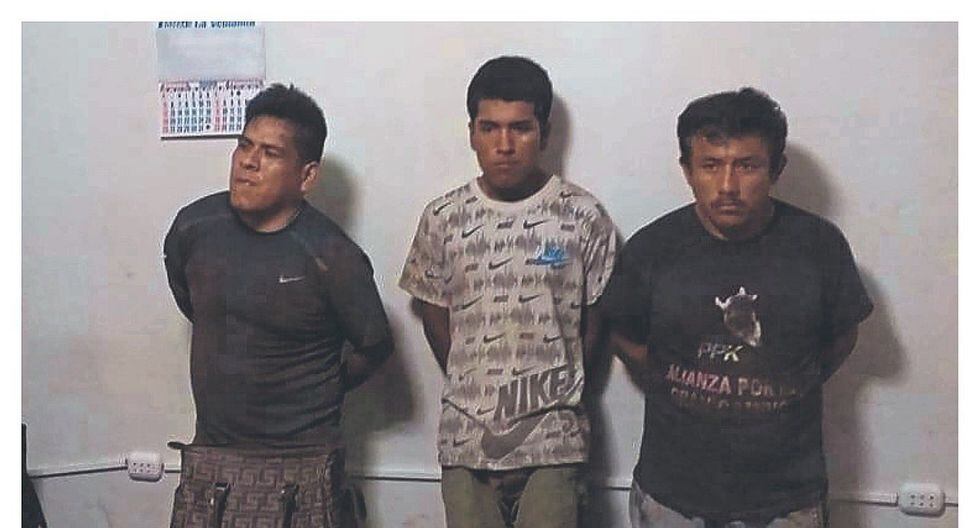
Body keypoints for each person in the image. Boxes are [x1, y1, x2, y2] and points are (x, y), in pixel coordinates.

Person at [600, 87, 873, 528]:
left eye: (747, 165)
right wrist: (685, 382)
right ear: (687, 170)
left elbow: (842, 338)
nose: (728, 186)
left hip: (787, 498)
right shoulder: (653, 249)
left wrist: (781, 383)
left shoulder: (819, 247)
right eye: (710, 165)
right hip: (673, 493)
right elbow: (625, 337)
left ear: (776, 169)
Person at [399, 56, 617, 528]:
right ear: (472, 133)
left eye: (520, 128)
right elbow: (434, 312)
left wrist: (558, 387)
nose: (504, 145)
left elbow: (596, 319)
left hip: (553, 440)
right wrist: (474, 384)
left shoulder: (583, 216)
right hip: (466, 439)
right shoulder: (443, 218)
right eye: (489, 128)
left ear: (545, 133)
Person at [163, 83, 393, 528]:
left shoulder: (332, 256)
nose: (248, 163)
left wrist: (320, 387)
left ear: (306, 176)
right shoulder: (194, 228)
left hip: (302, 462)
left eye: (270, 153)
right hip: (213, 458)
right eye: (244, 145)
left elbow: (375, 345)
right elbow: (192, 302)